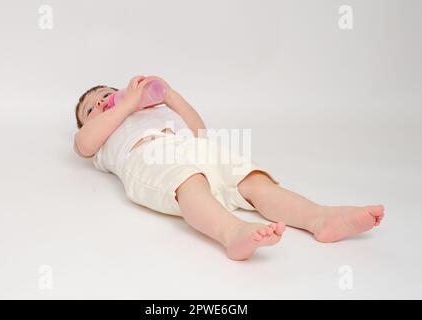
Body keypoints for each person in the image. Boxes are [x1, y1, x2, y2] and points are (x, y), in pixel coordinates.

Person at [73, 75, 384, 261]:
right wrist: (123, 107)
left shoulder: (153, 113)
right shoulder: (100, 139)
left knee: (253, 180)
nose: (100, 102)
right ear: (86, 122)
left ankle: (320, 218)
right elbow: (83, 145)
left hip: (196, 147)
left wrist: (168, 95)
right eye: (90, 108)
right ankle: (232, 232)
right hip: (149, 158)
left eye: (105, 95)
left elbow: (199, 131)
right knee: (189, 183)